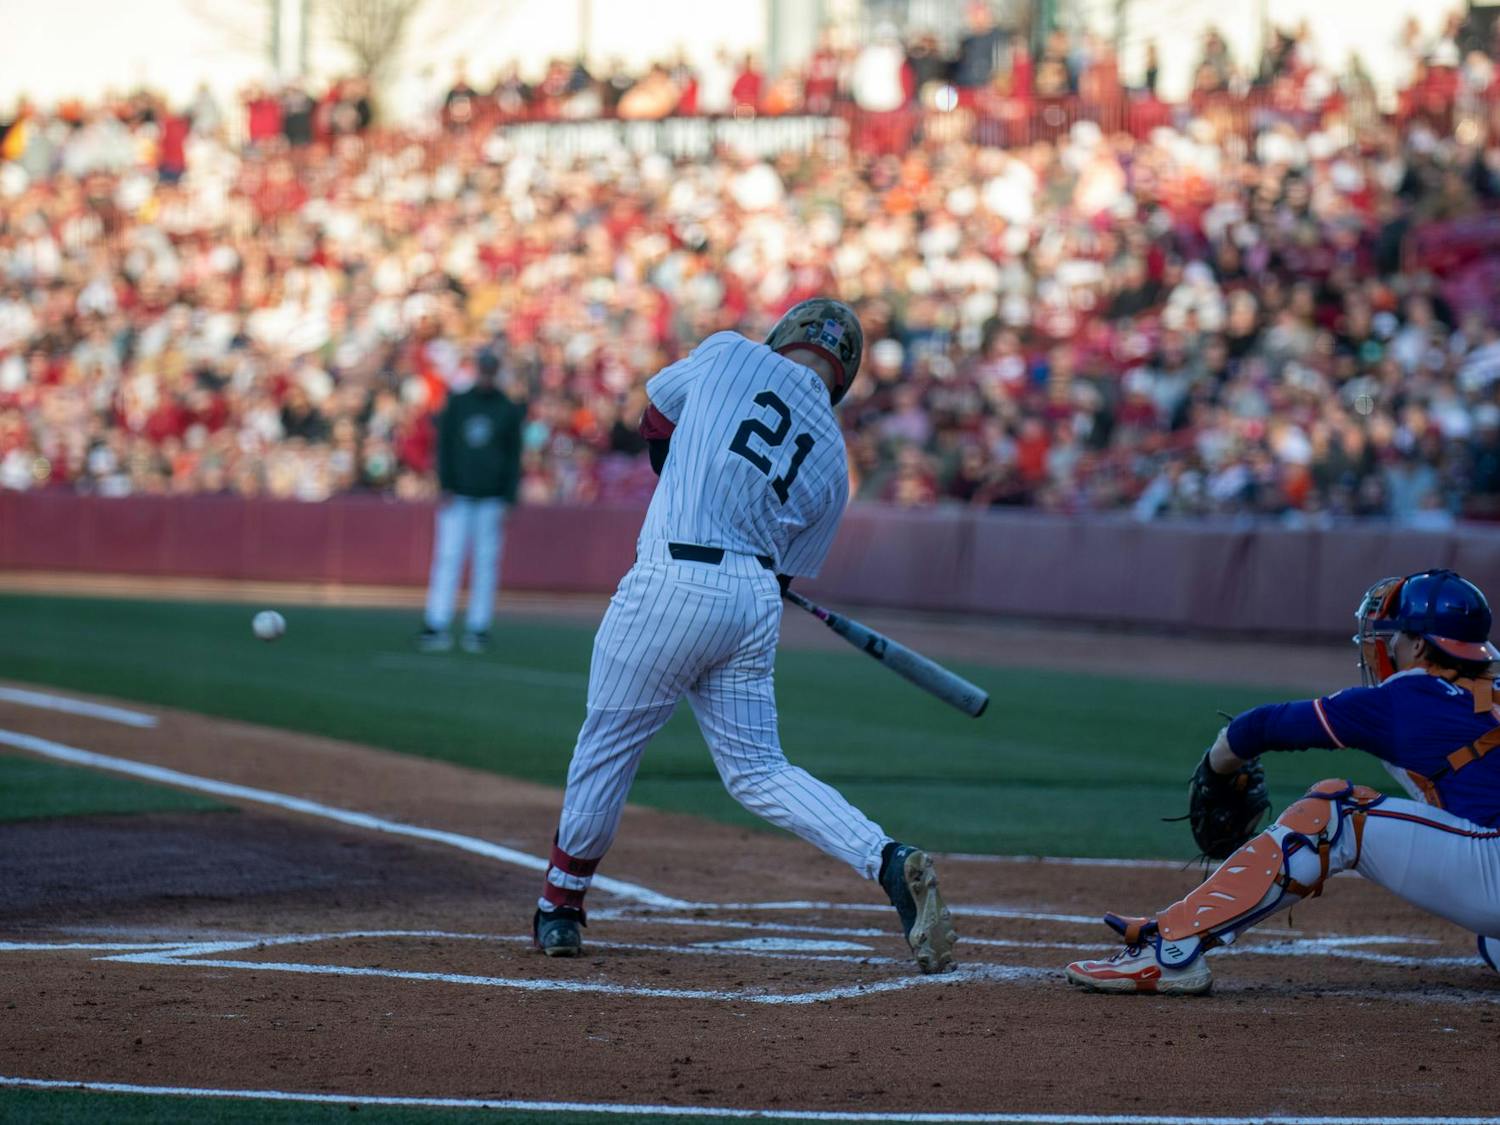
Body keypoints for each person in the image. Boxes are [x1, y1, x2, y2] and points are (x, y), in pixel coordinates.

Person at [531, 299, 958, 975]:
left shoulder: (729, 351)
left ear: (785, 333)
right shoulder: (834, 463)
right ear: (843, 375)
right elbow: (787, 571)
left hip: (671, 577)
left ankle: (560, 906)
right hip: (751, 600)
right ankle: (887, 857)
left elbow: (654, 419)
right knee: (760, 769)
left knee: (608, 745)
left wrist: (691, 471)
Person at [1066, 569, 1500, 994]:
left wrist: (1218, 767)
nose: (1388, 644)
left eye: (1399, 634)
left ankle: (1169, 951)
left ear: (1421, 644)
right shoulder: (1487, 689)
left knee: (1334, 812)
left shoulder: (1407, 697)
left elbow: (1263, 726)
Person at [418, 348, 524, 654]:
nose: (488, 375)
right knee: (448, 558)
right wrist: (445, 484)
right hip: (459, 493)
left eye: (492, 370)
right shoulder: (458, 402)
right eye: (484, 369)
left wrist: (509, 496)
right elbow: (444, 446)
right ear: (478, 370)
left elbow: (514, 456)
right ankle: (437, 623)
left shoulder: (507, 407)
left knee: (485, 563)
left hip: (491, 497)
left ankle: (478, 627)